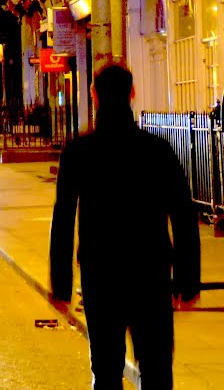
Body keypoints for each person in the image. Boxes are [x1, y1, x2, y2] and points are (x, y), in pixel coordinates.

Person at [50, 63, 201, 390]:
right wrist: (188, 281)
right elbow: (184, 216)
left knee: (106, 369)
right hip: (151, 273)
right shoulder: (158, 151)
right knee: (157, 367)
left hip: (101, 274)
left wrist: (61, 283)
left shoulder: (78, 152)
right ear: (132, 94)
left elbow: (62, 219)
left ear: (94, 95)